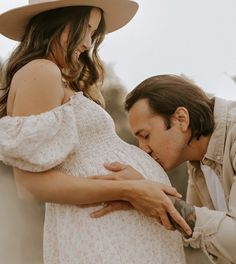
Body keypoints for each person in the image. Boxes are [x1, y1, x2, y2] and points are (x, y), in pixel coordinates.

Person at [0, 1, 190, 263]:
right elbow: (31, 185)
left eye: (93, 33)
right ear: (58, 22)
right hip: (100, 235)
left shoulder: (56, 77)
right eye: (86, 29)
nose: (89, 43)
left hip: (116, 235)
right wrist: (130, 190)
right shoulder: (41, 71)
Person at [109, 74, 235, 264]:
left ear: (181, 119)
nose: (144, 149)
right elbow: (191, 234)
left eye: (146, 135)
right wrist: (142, 198)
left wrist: (161, 200)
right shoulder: (197, 162)